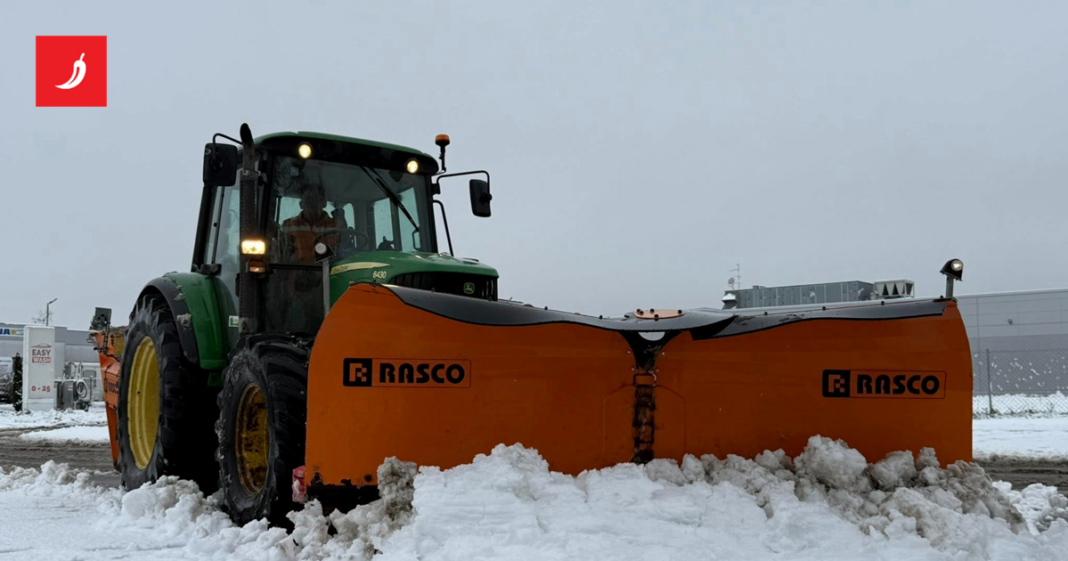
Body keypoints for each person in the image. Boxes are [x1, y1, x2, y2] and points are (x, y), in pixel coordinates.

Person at [280, 181, 346, 263]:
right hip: (295, 270)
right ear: (301, 204)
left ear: (323, 203)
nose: (312, 205)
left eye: (316, 201)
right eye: (308, 200)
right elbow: (282, 255)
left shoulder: (337, 226)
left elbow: (344, 254)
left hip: (326, 271)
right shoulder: (288, 225)